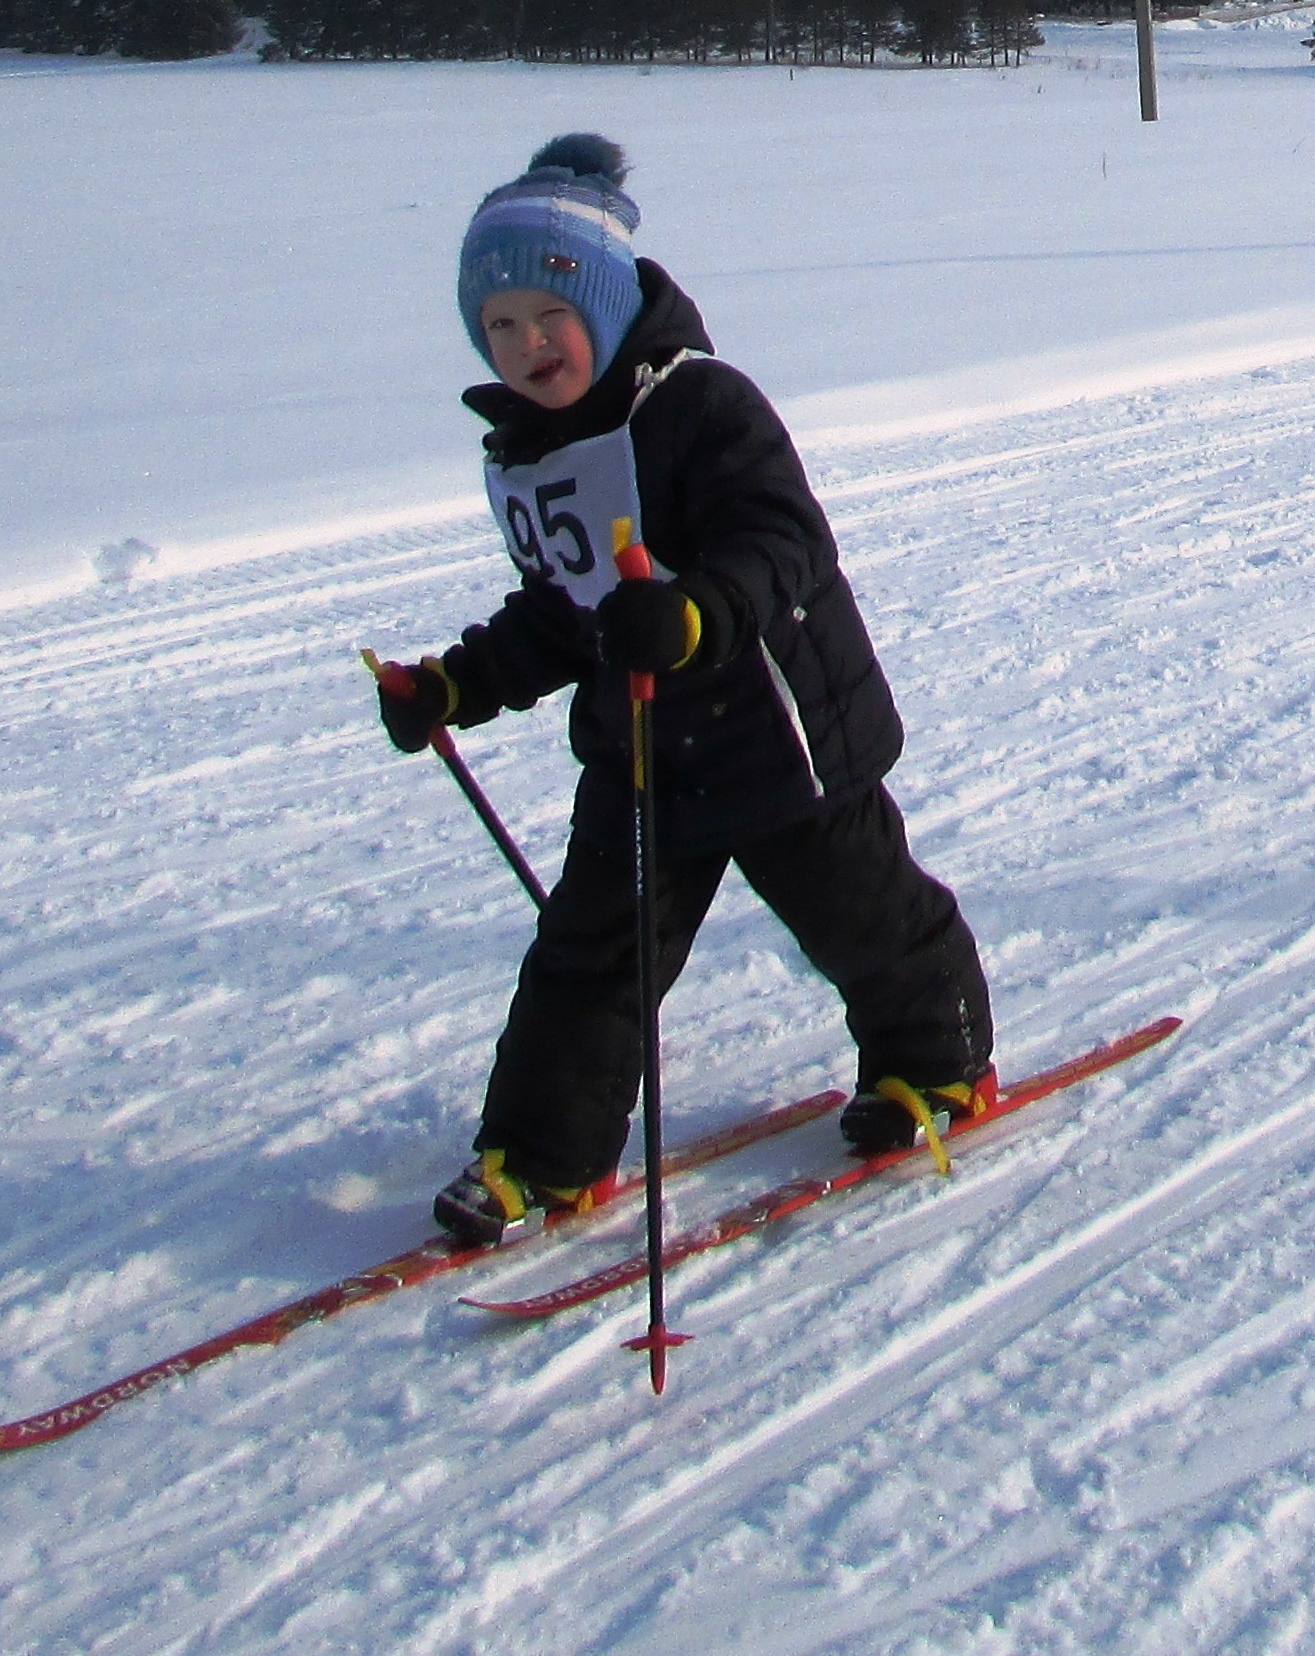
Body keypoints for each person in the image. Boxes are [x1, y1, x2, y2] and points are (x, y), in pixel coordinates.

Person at [377, 133, 994, 1245]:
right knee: (589, 951)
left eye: (550, 315)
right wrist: (456, 684)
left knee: (861, 914)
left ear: (608, 304)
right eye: (499, 325)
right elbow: (563, 610)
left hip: (778, 731)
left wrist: (696, 611)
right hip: (644, 748)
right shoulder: (532, 448)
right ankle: (540, 1155)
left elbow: (785, 539)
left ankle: (934, 1063)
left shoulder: (702, 403)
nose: (526, 345)